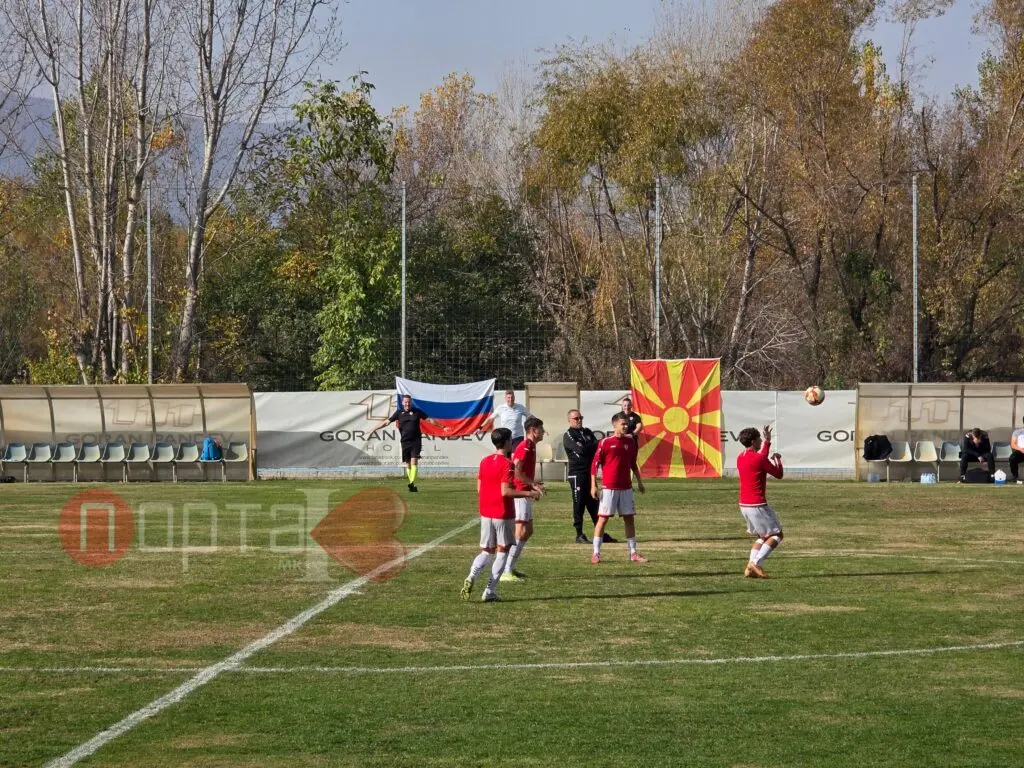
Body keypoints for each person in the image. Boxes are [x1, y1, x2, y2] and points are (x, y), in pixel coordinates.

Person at [461, 428, 542, 602]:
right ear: (506, 442)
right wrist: (529, 493)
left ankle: (471, 576)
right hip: (503, 513)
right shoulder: (507, 464)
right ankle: (489, 591)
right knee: (503, 551)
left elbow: (479, 488)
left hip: (486, 512)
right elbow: (506, 491)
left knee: (486, 551)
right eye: (511, 440)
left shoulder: (484, 461)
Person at [590, 412, 647, 564]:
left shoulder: (631, 442)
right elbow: (595, 464)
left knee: (629, 519)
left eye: (626, 423)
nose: (626, 426)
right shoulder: (605, 442)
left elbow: (633, 463)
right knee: (602, 519)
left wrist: (639, 482)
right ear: (614, 425)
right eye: (623, 424)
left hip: (626, 488)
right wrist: (593, 485)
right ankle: (596, 553)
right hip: (609, 488)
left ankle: (633, 553)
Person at [369, 394, 449, 492]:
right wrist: (374, 428)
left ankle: (411, 483)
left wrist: (442, 427)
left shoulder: (417, 411)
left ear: (411, 403)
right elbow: (387, 422)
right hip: (405, 441)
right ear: (402, 403)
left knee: (414, 460)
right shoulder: (399, 413)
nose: (407, 404)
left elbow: (429, 420)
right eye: (405, 402)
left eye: (409, 402)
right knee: (408, 463)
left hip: (416, 440)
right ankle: (412, 485)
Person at [501, 416, 546, 582]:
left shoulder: (531, 446)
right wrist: (533, 484)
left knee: (528, 531)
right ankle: (506, 570)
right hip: (520, 494)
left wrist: (533, 485)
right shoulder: (526, 446)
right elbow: (517, 472)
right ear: (533, 431)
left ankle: (510, 567)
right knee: (521, 532)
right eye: (541, 429)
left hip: (525, 492)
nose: (543, 432)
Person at [736, 424, 784, 578]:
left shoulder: (740, 457)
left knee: (763, 537)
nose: (761, 441)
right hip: (757, 504)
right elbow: (778, 474)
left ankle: (750, 568)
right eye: (759, 439)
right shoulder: (759, 458)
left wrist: (767, 442)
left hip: (744, 504)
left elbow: (760, 459)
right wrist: (777, 460)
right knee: (777, 535)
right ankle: (756, 563)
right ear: (753, 442)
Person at [562, 409, 616, 544]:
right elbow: (581, 450)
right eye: (576, 418)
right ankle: (579, 534)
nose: (579, 420)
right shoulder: (568, 435)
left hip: (589, 473)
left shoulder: (587, 432)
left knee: (594, 503)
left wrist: (590, 446)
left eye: (581, 418)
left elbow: (597, 447)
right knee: (579, 503)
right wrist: (591, 446)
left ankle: (600, 533)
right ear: (569, 420)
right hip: (577, 474)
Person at [1010, 418, 1024, 484]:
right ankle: (1015, 476)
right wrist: (1021, 449)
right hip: (1020, 451)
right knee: (1012, 458)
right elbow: (1013, 444)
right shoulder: (1017, 432)